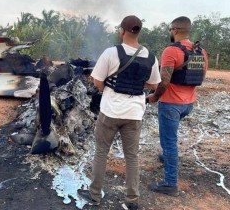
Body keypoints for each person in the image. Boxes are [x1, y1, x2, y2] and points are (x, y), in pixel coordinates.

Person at [77, 15, 161, 210]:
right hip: (134, 114)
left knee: (101, 152)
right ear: (139, 32)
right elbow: (154, 84)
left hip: (110, 112)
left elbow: (97, 81)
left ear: (122, 31)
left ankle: (95, 195)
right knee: (132, 156)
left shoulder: (111, 52)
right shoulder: (151, 57)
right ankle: (132, 200)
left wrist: (106, 88)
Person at [146, 16, 208, 196]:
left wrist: (155, 97)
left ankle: (170, 183)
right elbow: (201, 78)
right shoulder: (200, 51)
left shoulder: (171, 51)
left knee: (170, 142)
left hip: (171, 105)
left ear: (174, 30)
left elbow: (164, 81)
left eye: (170, 30)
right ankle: (166, 158)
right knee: (170, 140)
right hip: (188, 104)